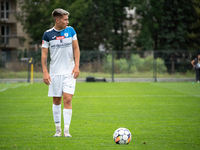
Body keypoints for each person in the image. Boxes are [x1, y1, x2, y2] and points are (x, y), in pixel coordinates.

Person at [41, 8, 80, 137]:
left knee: (67, 99)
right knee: (57, 101)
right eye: (65, 19)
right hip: (55, 73)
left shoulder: (71, 31)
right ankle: (58, 130)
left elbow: (76, 49)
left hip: (69, 72)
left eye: (67, 19)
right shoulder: (47, 34)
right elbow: (44, 55)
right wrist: (45, 72)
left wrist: (77, 66)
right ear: (57, 20)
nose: (67, 22)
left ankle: (66, 131)